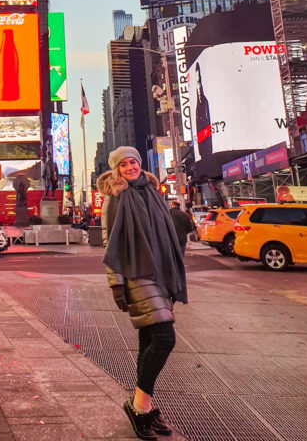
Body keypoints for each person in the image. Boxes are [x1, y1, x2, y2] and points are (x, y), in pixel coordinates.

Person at [98, 146, 187, 440]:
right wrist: (116, 283)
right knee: (165, 338)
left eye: (133, 162)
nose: (130, 167)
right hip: (137, 273)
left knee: (148, 339)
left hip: (161, 273)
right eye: (123, 165)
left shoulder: (151, 190)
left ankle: (144, 408)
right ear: (116, 170)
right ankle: (138, 406)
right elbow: (109, 240)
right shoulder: (116, 196)